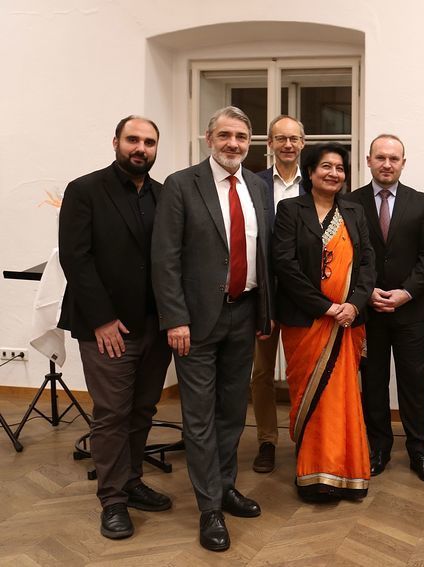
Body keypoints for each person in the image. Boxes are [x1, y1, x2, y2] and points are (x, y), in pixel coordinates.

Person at [152, 106, 273, 552]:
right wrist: (175, 318)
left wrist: (265, 312)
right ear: (208, 139)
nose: (233, 144)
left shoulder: (258, 186)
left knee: (230, 411)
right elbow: (164, 258)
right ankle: (209, 509)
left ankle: (224, 486)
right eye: (225, 135)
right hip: (197, 321)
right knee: (199, 417)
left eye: (241, 137)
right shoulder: (182, 185)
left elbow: (264, 253)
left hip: (244, 315)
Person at [58, 115, 173, 539]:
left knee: (143, 409)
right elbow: (77, 258)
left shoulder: (164, 195)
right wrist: (103, 319)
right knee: (111, 414)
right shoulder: (85, 190)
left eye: (149, 141)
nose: (140, 148)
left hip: (154, 326)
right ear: (116, 142)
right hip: (107, 327)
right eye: (133, 140)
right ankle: (112, 500)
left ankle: (131, 479)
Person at [272, 142, 375, 502]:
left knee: (342, 396)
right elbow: (284, 265)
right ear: (311, 172)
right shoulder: (290, 210)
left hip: (346, 323)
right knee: (311, 397)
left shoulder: (354, 211)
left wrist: (354, 306)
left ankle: (344, 470)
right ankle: (313, 473)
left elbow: (366, 265)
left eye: (340, 168)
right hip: (305, 322)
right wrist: (325, 307)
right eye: (326, 167)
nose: (333, 173)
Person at [343, 134, 424, 484]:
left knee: (414, 382)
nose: (387, 164)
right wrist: (365, 294)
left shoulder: (422, 203)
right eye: (380, 157)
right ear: (368, 160)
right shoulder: (349, 202)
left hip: (410, 311)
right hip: (367, 312)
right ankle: (378, 447)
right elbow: (346, 256)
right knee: (373, 382)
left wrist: (405, 293)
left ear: (403, 162)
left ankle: (419, 451)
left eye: (394, 158)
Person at [250, 114, 307, 474]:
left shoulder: (316, 186)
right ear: (269, 144)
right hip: (263, 295)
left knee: (303, 372)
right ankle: (267, 441)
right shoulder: (252, 184)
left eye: (294, 139)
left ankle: (305, 439)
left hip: (303, 297)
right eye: (280, 138)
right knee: (261, 374)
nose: (288, 145)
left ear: (303, 144)